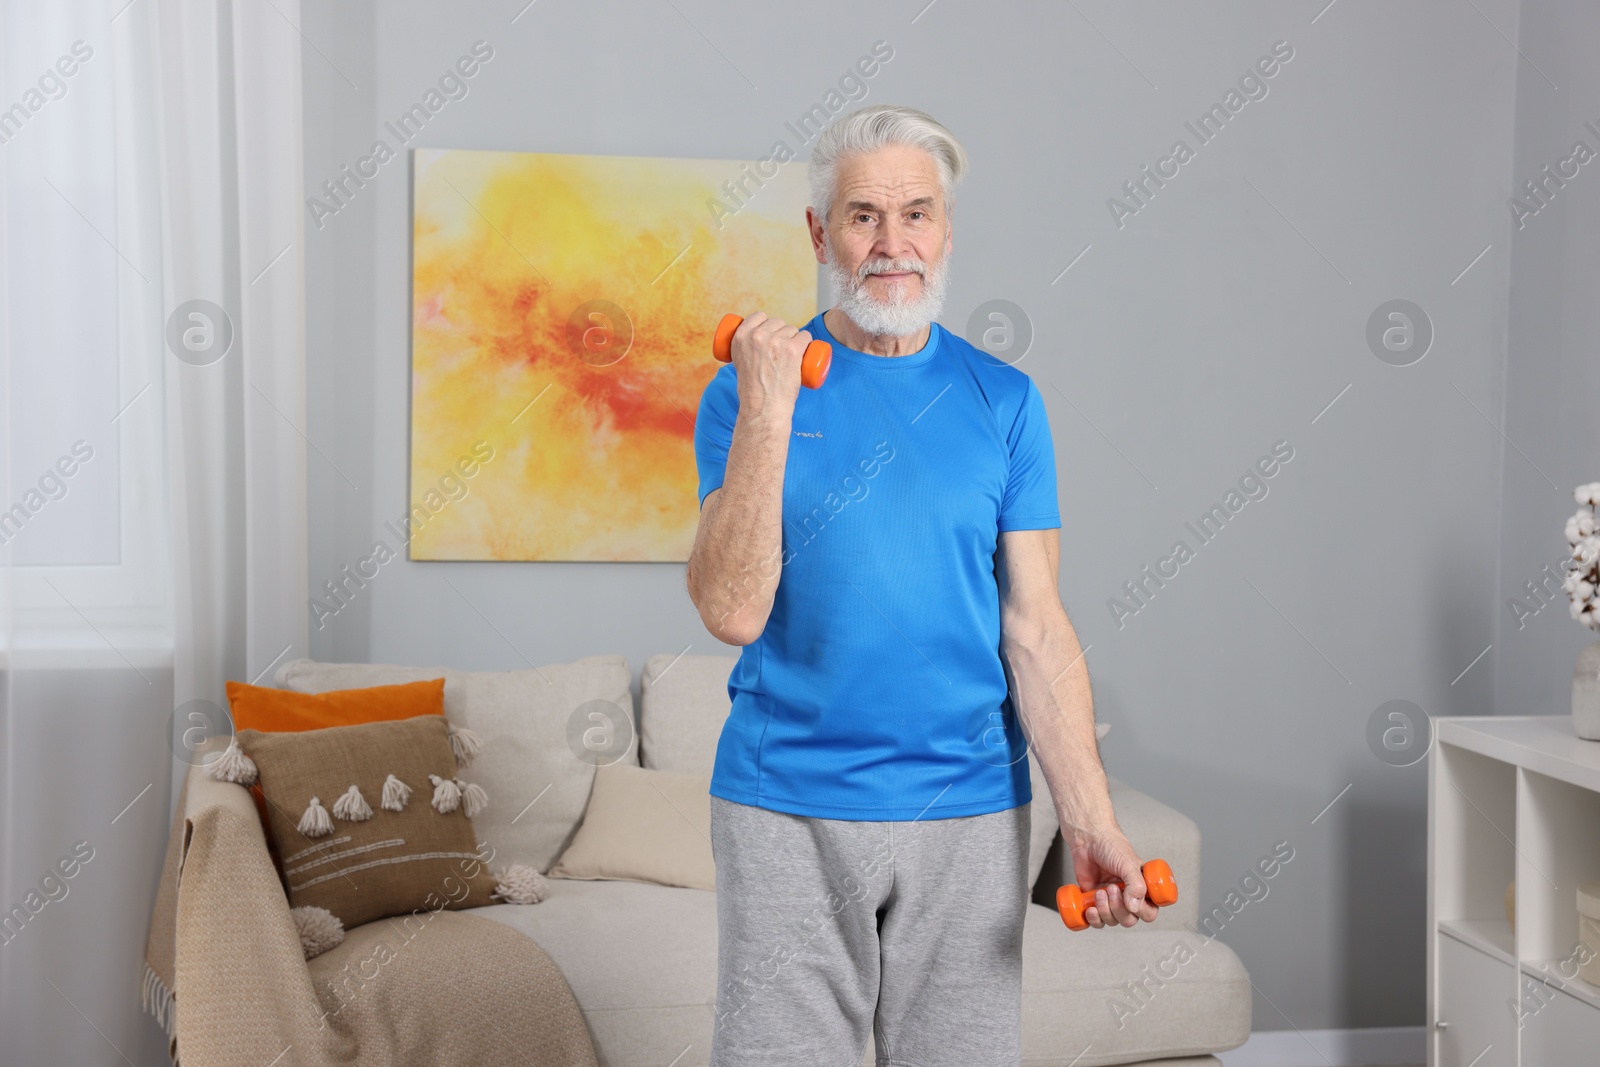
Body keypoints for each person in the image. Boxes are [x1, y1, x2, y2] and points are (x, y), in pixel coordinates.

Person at [686, 103, 1159, 1067]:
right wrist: (771, 413)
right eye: (863, 215)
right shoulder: (742, 394)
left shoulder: (1004, 402)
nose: (892, 242)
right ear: (821, 234)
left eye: (916, 213)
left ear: (946, 230)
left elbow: (1035, 629)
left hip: (971, 809)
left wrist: (1094, 819)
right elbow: (731, 609)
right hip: (787, 809)